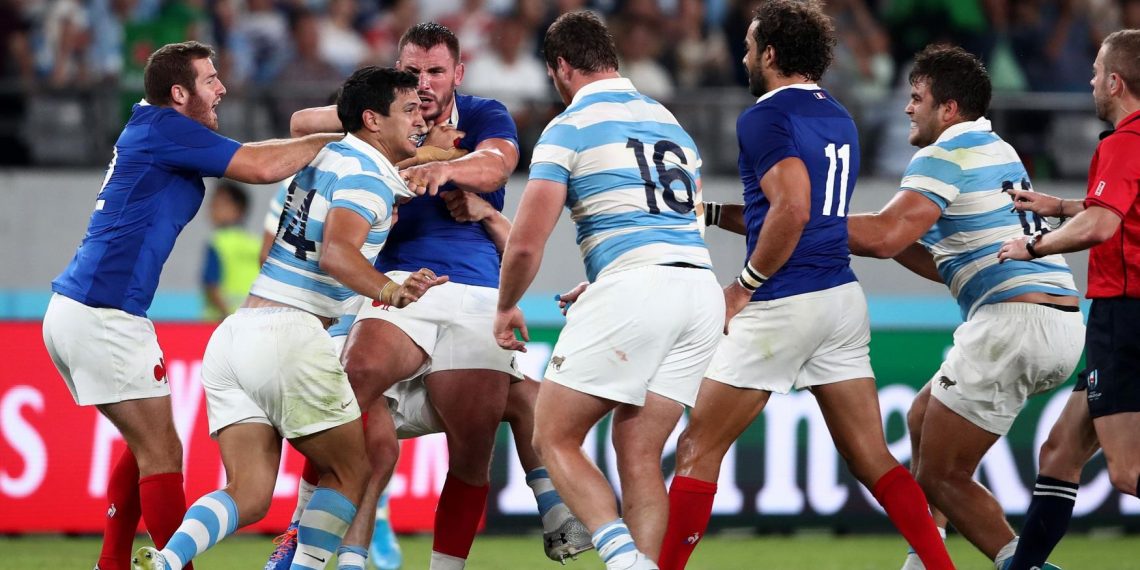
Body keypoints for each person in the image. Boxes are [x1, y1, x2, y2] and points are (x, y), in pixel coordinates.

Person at [280, 22, 589, 570]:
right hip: (399, 283)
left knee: (471, 455)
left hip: (474, 290)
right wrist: (413, 148)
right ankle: (301, 541)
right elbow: (303, 121)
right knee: (352, 384)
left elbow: (498, 164)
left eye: (436, 72)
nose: (423, 84)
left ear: (458, 74)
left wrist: (441, 166)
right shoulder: (387, 108)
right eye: (414, 71)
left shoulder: (484, 114)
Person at [656, 4, 955, 570]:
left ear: (770, 53)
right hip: (840, 299)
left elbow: (791, 209)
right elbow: (804, 214)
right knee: (873, 459)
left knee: (698, 449)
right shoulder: (837, 114)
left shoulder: (763, 117)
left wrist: (742, 287)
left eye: (749, 45)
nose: (745, 55)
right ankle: (941, 567)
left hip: (781, 304)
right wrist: (717, 212)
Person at [40, 40, 342, 570]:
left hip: (86, 308)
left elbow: (254, 155)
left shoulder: (155, 128)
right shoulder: (165, 127)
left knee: (143, 447)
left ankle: (111, 563)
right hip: (103, 313)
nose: (221, 87)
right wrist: (342, 138)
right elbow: (258, 164)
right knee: (162, 454)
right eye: (210, 79)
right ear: (179, 94)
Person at [129, 65, 444, 570]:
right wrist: (393, 290)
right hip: (290, 335)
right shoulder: (366, 178)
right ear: (372, 119)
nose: (421, 121)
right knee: (351, 471)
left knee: (249, 494)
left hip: (236, 337)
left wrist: (437, 152)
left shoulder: (331, 156)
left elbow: (365, 163)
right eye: (408, 110)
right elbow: (337, 255)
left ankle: (167, 559)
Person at [495, 11, 723, 570]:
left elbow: (526, 244)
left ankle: (627, 561)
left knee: (552, 436)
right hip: (698, 288)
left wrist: (504, 307)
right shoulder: (669, 121)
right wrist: (607, 278)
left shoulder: (569, 125)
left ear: (561, 68)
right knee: (640, 452)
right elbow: (673, 218)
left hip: (637, 289)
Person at [845, 43, 1084, 570]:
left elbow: (884, 235)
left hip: (1012, 322)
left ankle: (1022, 565)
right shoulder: (997, 149)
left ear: (947, 109)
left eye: (917, 98)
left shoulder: (943, 153)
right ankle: (924, 557)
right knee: (921, 414)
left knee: (939, 474)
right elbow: (939, 262)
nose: (908, 108)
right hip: (1059, 318)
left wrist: (812, 224)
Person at [997, 29, 1140, 570]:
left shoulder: (1124, 141)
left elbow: (1102, 225)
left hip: (1124, 315)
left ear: (1116, 82)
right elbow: (1117, 205)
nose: (1090, 81)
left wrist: (1032, 245)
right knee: (1059, 451)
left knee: (1127, 472)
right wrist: (1058, 204)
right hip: (1125, 314)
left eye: (1097, 71)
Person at [202, 181, 262, 321]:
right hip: (253, 319)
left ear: (239, 209)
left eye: (219, 204)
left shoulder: (217, 242)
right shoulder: (257, 243)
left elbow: (211, 286)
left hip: (221, 320)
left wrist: (228, 316)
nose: (212, 209)